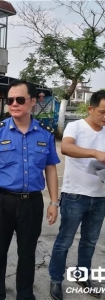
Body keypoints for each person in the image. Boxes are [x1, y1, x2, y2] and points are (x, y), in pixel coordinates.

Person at [0, 79, 60, 300]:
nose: (14, 104)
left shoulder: (45, 134)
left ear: (32, 102)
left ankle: (25, 294)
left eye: (20, 100)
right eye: (10, 100)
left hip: (32, 203)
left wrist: (54, 202)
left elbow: (50, 169)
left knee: (28, 254)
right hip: (2, 200)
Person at [49, 90, 105, 300]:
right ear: (90, 109)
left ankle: (82, 276)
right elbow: (66, 147)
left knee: (90, 242)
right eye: (102, 111)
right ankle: (56, 279)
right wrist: (94, 153)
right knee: (65, 240)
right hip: (75, 195)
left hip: (100, 196)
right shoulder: (75, 126)